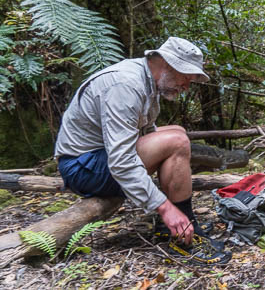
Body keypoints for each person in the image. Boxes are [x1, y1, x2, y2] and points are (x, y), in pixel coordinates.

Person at [55, 37, 210, 247]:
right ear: (167, 64)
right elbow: (121, 161)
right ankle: (182, 228)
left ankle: (180, 223)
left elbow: (143, 133)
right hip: (82, 170)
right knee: (177, 141)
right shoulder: (125, 85)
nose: (186, 86)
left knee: (177, 132)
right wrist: (165, 208)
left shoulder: (147, 80)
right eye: (185, 77)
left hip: (97, 160)